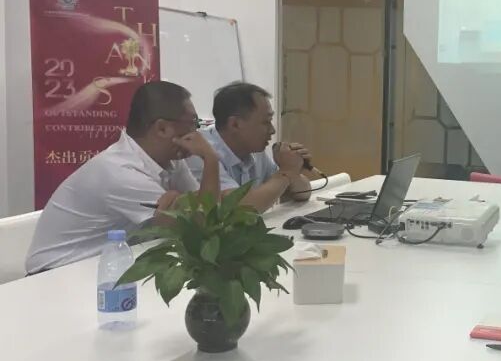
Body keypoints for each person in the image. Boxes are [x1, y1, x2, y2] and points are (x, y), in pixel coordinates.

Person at [25, 81, 221, 274]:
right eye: (192, 124)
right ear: (162, 128)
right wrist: (211, 159)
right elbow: (203, 224)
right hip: (55, 273)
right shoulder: (119, 172)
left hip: (106, 264)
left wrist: (191, 206)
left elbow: (208, 208)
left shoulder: (171, 160)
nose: (197, 134)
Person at [187, 82, 312, 213]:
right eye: (266, 122)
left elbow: (302, 193)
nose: (272, 130)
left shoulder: (254, 149)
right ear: (235, 124)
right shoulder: (199, 152)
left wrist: (293, 170)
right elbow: (240, 209)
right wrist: (286, 171)